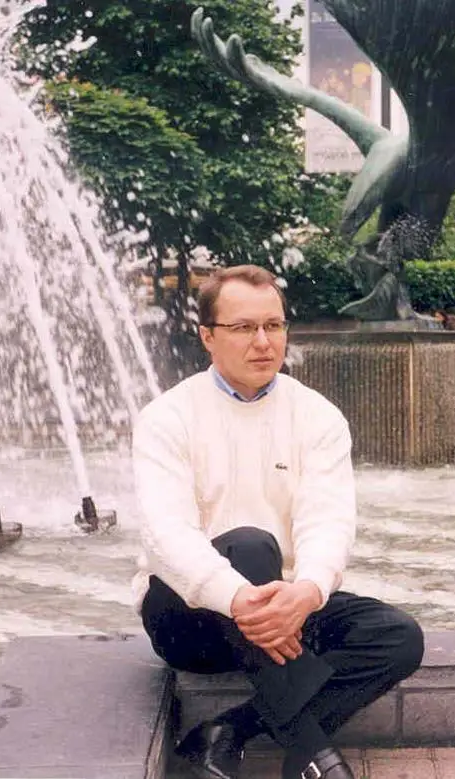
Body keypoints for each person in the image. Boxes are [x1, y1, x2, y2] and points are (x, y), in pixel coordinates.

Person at [131, 265, 425, 779]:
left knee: (398, 637)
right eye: (244, 328)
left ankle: (228, 731)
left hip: (282, 612)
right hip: (188, 616)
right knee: (250, 545)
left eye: (274, 325)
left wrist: (307, 592)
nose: (263, 342)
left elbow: (328, 521)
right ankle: (312, 756)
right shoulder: (167, 417)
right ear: (207, 336)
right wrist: (238, 599)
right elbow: (166, 536)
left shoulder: (317, 416)